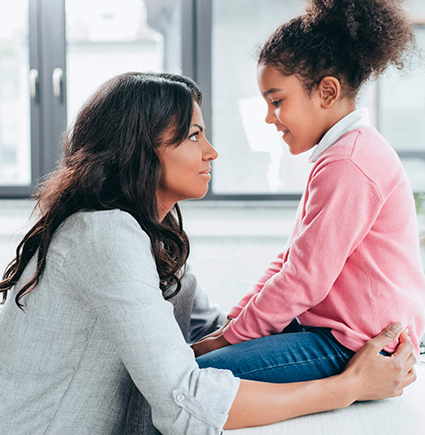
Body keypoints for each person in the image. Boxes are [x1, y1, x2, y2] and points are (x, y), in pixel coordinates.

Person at [0, 72, 417, 435]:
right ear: (139, 149)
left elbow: (214, 332)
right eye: (194, 136)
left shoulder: (151, 240)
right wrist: (350, 386)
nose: (211, 152)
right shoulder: (104, 234)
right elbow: (186, 403)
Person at [193, 0, 425, 385]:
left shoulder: (351, 163)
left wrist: (226, 340)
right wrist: (234, 322)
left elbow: (304, 279)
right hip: (333, 331)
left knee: (195, 377)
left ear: (327, 92)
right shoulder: (342, 153)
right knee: (205, 353)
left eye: (277, 101)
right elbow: (292, 259)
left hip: (352, 343)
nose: (269, 118)